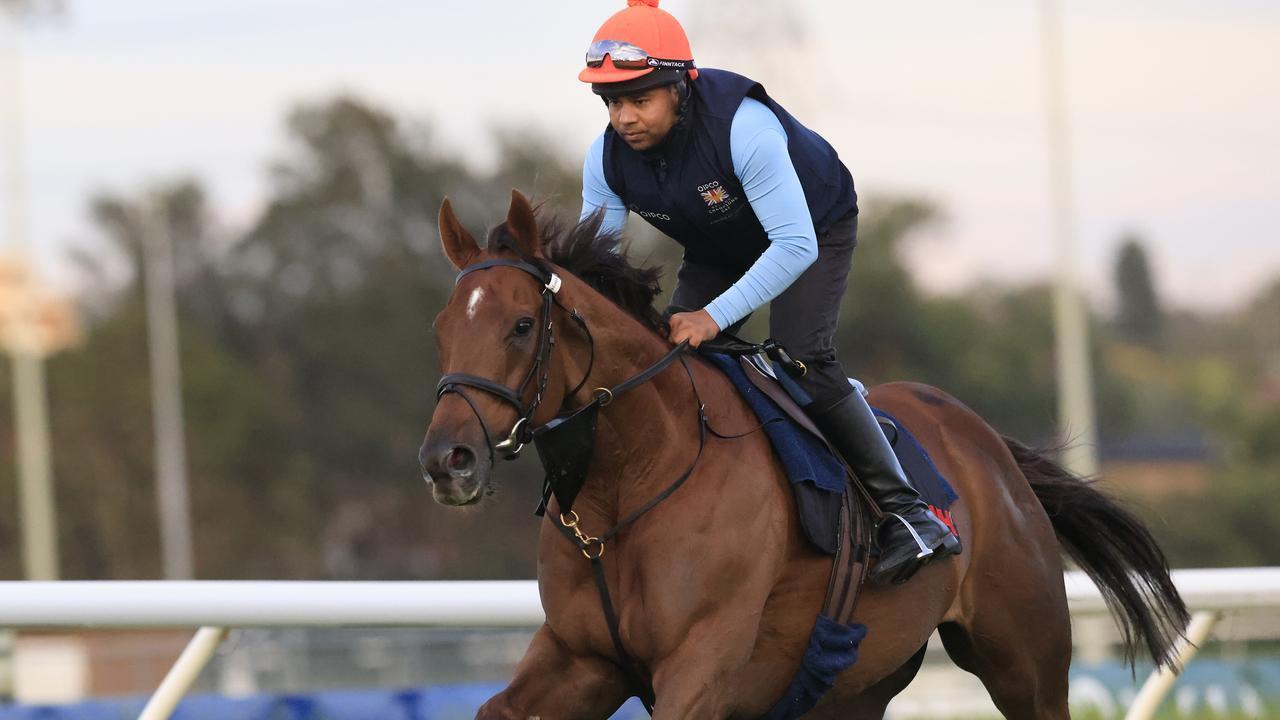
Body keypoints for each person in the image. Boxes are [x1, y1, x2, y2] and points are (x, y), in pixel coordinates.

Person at [577, 0, 959, 584]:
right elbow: (592, 267)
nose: (623, 117)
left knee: (800, 355)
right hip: (721, 244)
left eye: (638, 98)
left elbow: (793, 246)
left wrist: (712, 316)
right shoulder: (604, 160)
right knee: (666, 362)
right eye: (612, 102)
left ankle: (910, 514)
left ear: (681, 86)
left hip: (811, 228)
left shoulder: (744, 127)